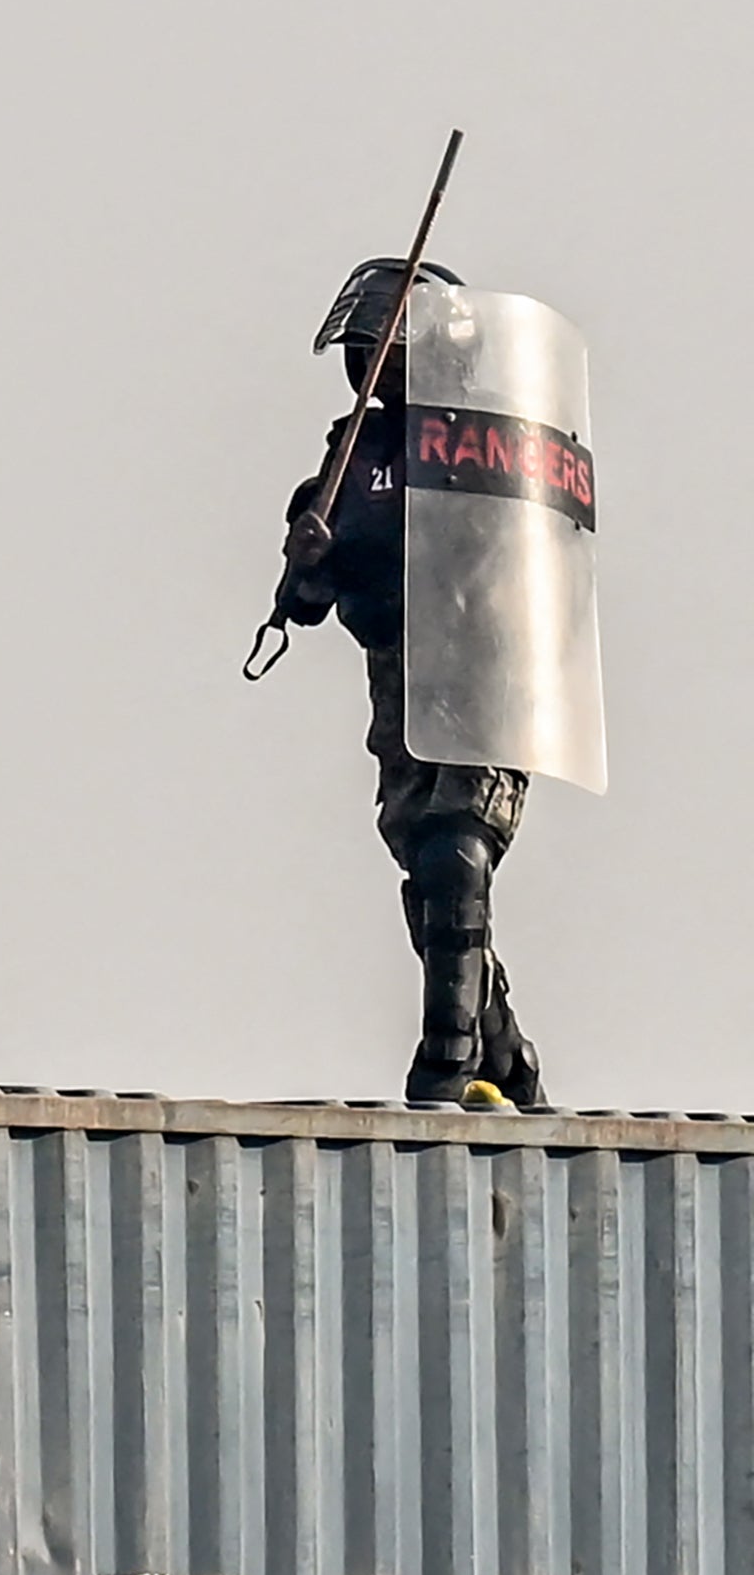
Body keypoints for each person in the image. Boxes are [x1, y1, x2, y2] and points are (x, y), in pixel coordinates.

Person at [272, 257, 543, 1109]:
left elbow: (525, 558)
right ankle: (513, 1061)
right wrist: (312, 559)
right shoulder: (353, 455)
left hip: (482, 682)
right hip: (400, 692)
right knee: (431, 886)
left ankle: (446, 1059)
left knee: (457, 854)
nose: (372, 372)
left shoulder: (492, 442)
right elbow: (306, 595)